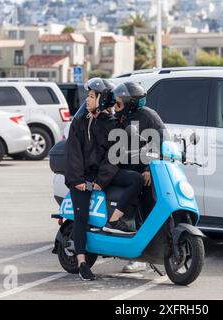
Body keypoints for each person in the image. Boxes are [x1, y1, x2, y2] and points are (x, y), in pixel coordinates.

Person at [64, 78, 120, 281]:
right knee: (81, 217)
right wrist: (77, 179)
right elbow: (73, 153)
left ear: (103, 99)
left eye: (91, 96)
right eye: (87, 96)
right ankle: (82, 262)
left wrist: (102, 180)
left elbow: (113, 156)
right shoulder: (79, 122)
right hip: (81, 179)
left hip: (102, 179)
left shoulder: (114, 125)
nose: (87, 100)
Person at [111, 82, 167, 273]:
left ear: (130, 102)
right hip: (123, 170)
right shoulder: (119, 117)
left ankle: (142, 256)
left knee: (147, 207)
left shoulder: (148, 117)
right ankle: (134, 251)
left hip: (145, 172)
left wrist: (149, 168)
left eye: (119, 102)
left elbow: (160, 142)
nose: (115, 105)